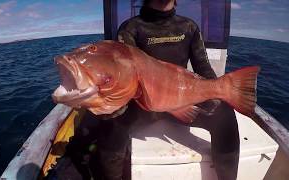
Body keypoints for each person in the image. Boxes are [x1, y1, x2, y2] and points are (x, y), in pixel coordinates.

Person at [97, 0, 240, 179]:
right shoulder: (131, 28)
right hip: (142, 105)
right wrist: (113, 105)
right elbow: (127, 73)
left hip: (181, 101)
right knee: (110, 124)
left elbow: (203, 67)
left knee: (225, 114)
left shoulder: (189, 26)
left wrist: (218, 91)